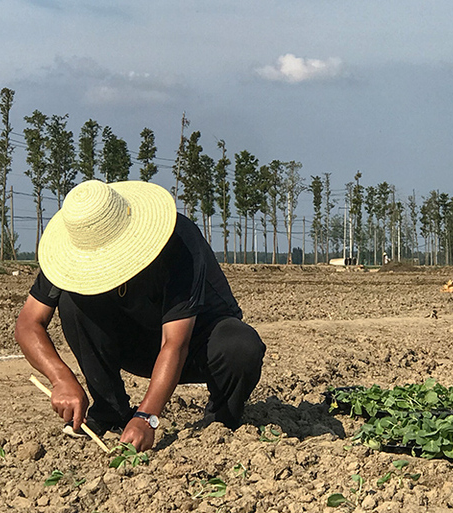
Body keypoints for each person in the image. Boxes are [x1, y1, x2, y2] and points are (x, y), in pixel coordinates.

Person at [15, 179, 266, 451]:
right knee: (72, 300)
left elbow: (175, 343)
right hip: (137, 346)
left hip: (197, 346)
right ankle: (111, 411)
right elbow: (28, 323)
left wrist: (147, 417)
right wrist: (60, 378)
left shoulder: (178, 240)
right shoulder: (74, 254)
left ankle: (219, 423)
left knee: (241, 346)